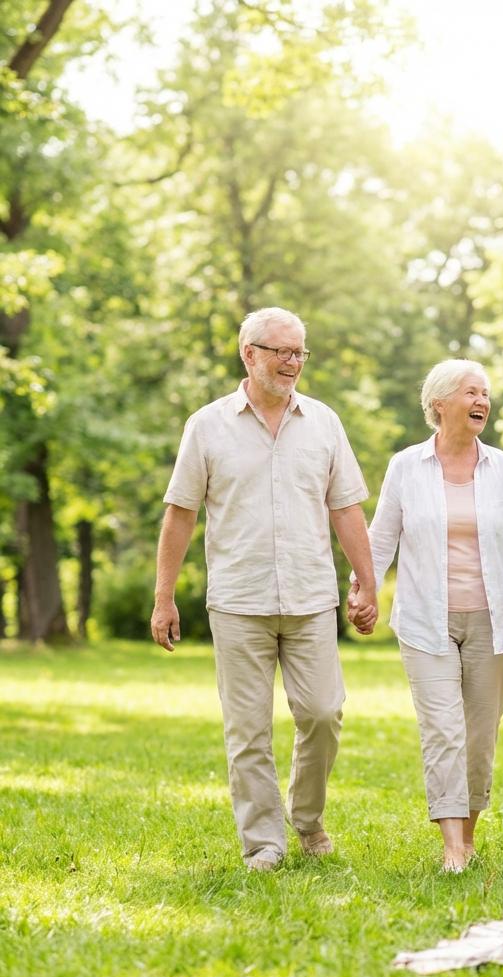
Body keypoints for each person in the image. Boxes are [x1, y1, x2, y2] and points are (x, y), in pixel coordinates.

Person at [150, 307, 378, 872]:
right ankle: (264, 843)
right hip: (239, 600)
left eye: (299, 352)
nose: (292, 362)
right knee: (248, 730)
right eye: (281, 351)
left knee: (324, 713)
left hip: (310, 597)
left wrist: (369, 583)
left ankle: (306, 817)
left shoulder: (324, 422)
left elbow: (346, 508)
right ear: (248, 354)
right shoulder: (206, 426)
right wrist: (164, 597)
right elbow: (180, 514)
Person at [355, 359, 503, 873]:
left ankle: (470, 832)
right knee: (443, 730)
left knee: (481, 735)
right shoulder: (406, 466)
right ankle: (452, 845)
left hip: (491, 619)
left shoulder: (501, 467)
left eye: (485, 393)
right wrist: (363, 591)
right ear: (439, 404)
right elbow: (381, 537)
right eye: (470, 393)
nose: (482, 401)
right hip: (424, 619)